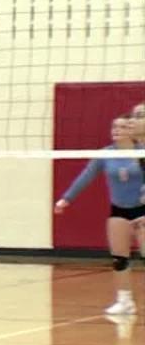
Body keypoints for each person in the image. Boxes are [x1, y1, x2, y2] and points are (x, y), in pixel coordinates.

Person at [55, 116, 144, 315]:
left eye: (122, 126)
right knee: (119, 258)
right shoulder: (105, 154)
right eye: (114, 126)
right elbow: (86, 177)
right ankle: (124, 301)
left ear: (132, 130)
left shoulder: (141, 152)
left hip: (142, 209)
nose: (117, 130)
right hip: (119, 209)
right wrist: (66, 199)